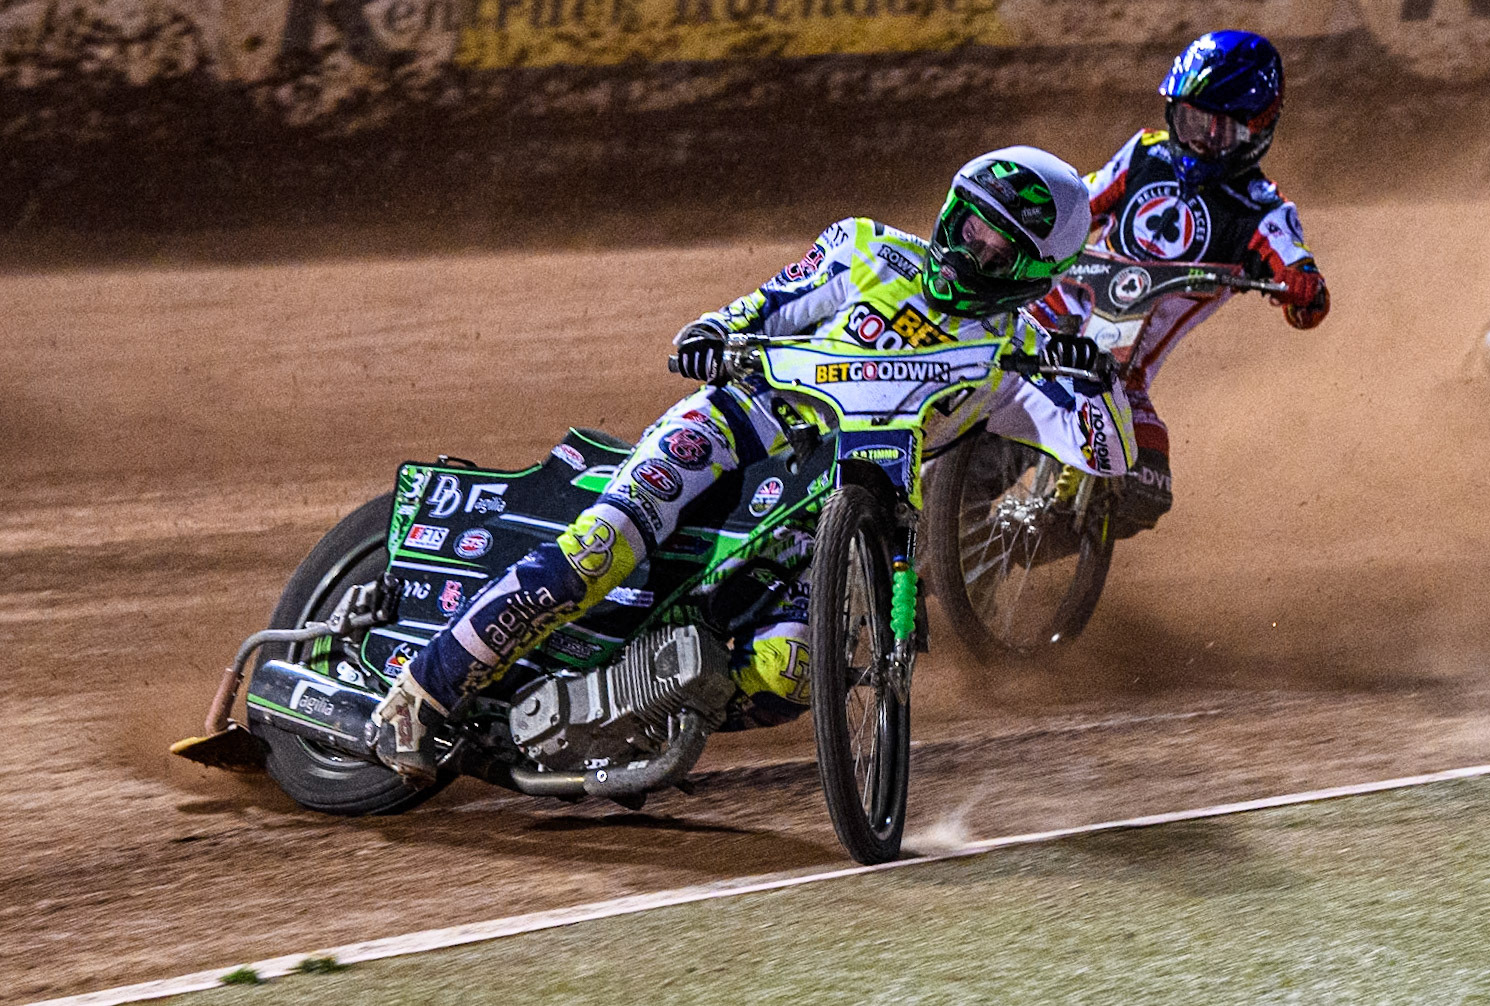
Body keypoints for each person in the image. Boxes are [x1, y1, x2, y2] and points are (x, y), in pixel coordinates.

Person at [368, 147, 1136, 781]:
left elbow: (1106, 456)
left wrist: (1097, 376)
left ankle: (637, 710)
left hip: (832, 513)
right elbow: (761, 307)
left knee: (792, 673)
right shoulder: (868, 249)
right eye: (970, 222)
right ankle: (418, 694)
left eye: (998, 244)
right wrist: (709, 332)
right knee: (600, 547)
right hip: (744, 422)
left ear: (1035, 271)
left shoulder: (1018, 355)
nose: (972, 244)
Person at [1033, 29, 1330, 538]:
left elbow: (1298, 270)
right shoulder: (1143, 153)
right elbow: (1080, 202)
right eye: (1193, 122)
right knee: (976, 368)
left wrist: (1303, 288)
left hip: (1122, 366)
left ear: (1256, 133)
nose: (1202, 140)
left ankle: (1060, 539)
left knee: (1147, 486)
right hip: (1053, 306)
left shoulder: (1262, 208)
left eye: (1221, 131)